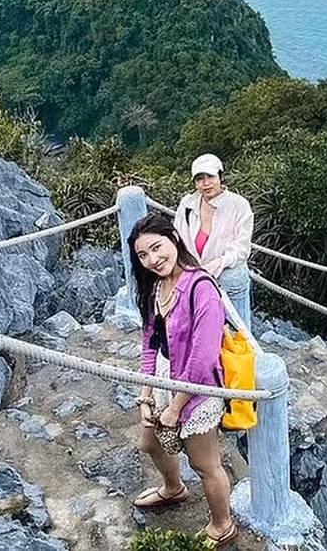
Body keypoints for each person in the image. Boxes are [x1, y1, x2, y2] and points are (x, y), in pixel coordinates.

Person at [127, 213, 238, 548]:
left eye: (157, 248)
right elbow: (150, 343)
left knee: (205, 464)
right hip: (165, 377)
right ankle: (173, 489)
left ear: (174, 238)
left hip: (197, 388)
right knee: (150, 442)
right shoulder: (155, 287)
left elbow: (202, 360)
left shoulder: (201, 288)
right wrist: (146, 394)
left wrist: (176, 407)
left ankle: (223, 524)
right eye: (142, 255)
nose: (152, 260)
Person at [174, 153, 254, 330]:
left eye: (210, 176)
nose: (206, 183)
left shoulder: (239, 205)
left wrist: (221, 262)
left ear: (220, 176)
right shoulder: (188, 204)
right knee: (205, 331)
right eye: (200, 179)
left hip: (227, 280)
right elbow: (177, 237)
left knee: (237, 332)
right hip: (196, 279)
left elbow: (242, 248)